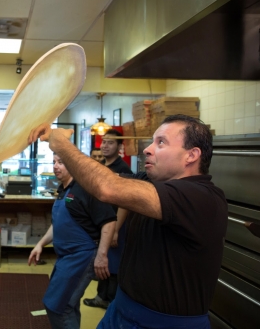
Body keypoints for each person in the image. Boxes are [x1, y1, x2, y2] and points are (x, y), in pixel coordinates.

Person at [28, 115, 227, 328]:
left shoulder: (201, 197)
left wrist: (64, 146)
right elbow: (99, 180)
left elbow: (107, 187)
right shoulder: (149, 182)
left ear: (192, 155)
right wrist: (59, 145)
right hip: (122, 309)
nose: (147, 149)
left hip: (164, 323)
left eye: (161, 142)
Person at [28, 153, 116, 329]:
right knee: (68, 304)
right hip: (66, 257)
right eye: (54, 162)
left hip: (82, 256)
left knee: (60, 307)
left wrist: (102, 255)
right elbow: (58, 223)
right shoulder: (64, 190)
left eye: (61, 162)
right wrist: (41, 243)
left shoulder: (86, 189)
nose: (55, 166)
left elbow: (109, 221)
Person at [84, 129, 133, 309]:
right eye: (103, 142)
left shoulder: (123, 170)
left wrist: (116, 231)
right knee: (103, 263)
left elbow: (125, 203)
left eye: (110, 142)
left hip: (115, 225)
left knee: (112, 267)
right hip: (103, 223)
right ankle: (101, 296)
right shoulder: (103, 166)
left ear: (120, 147)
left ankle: (110, 302)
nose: (105, 146)